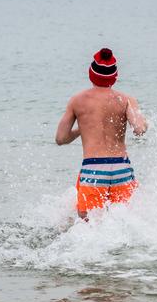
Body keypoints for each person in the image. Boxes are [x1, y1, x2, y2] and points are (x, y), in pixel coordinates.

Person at [55, 48, 148, 219]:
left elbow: (61, 139)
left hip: (94, 169)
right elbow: (139, 129)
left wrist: (80, 130)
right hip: (121, 168)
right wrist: (144, 123)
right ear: (114, 76)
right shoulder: (126, 99)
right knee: (124, 221)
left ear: (91, 74)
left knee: (88, 224)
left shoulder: (77, 100)